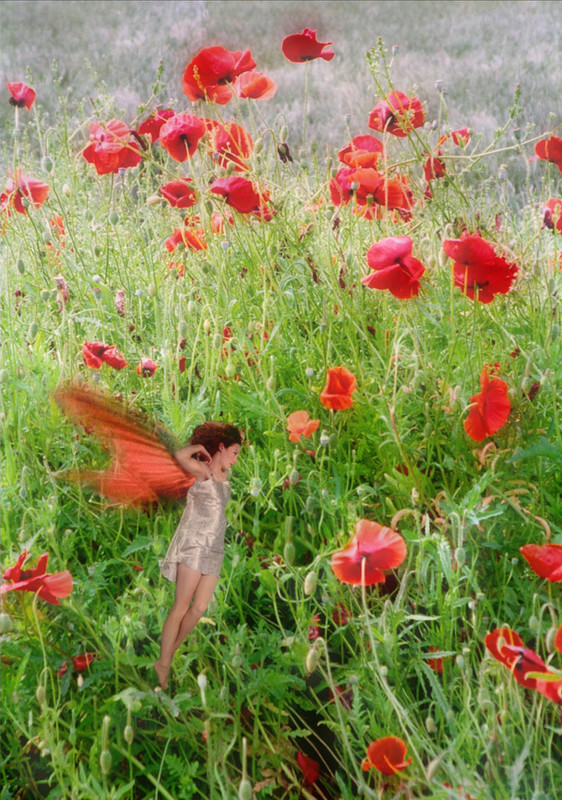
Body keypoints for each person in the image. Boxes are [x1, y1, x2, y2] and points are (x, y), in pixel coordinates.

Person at [153, 421, 243, 690]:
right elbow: (180, 457)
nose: (236, 460)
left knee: (200, 608)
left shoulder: (225, 479)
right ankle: (164, 664)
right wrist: (200, 448)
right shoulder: (203, 472)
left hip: (215, 550)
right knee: (181, 606)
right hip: (194, 546)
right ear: (222, 448)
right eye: (235, 453)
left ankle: (166, 656)